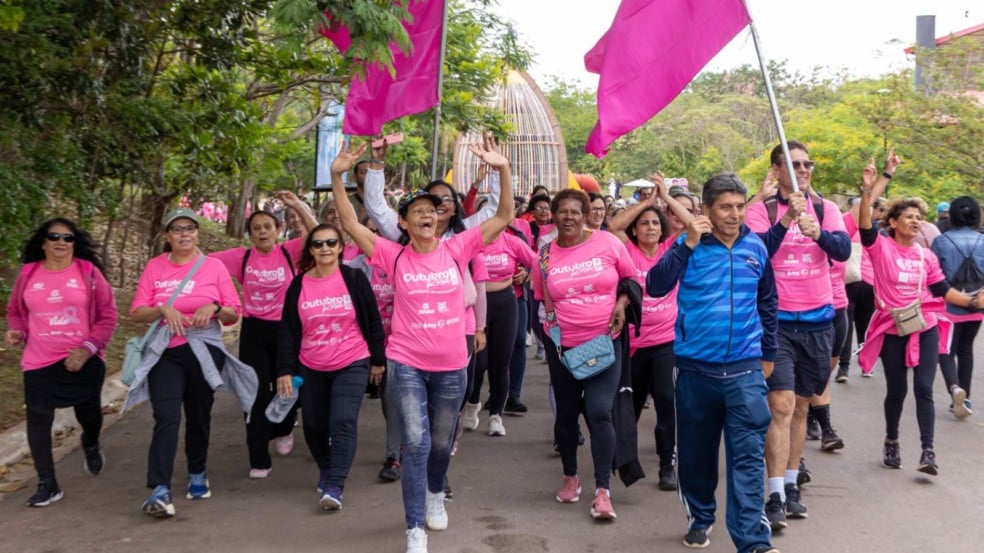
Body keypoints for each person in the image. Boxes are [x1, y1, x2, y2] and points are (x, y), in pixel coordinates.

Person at [331, 136, 514, 553]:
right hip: (407, 362)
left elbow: (505, 213)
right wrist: (336, 177)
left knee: (440, 441)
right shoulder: (392, 256)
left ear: (440, 219)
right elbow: (351, 224)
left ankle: (435, 490)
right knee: (414, 441)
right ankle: (414, 526)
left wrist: (502, 168)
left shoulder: (458, 247)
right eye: (417, 212)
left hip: (452, 364)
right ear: (405, 223)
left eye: (431, 211)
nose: (425, 216)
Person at [647, 174, 780, 553]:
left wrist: (767, 353)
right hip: (694, 371)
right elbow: (655, 286)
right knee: (697, 456)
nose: (735, 214)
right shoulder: (686, 246)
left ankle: (753, 540)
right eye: (726, 206)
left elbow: (768, 302)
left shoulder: (756, 247)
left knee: (749, 457)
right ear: (705, 209)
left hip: (745, 370)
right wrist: (686, 244)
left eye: (740, 206)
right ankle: (700, 517)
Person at [745, 141, 851, 530]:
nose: (804, 170)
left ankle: (791, 486)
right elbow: (753, 254)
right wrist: (787, 222)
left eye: (808, 164)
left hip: (820, 321)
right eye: (794, 164)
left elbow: (841, 251)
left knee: (803, 408)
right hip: (777, 325)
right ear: (776, 170)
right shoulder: (762, 211)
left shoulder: (827, 209)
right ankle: (772, 493)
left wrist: (819, 232)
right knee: (782, 406)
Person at [125, 207, 255, 518]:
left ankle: (197, 471)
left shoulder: (213, 268)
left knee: (198, 415)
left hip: (202, 352)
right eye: (177, 229)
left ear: (197, 233)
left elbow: (234, 312)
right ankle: (159, 488)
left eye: (190, 228)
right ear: (167, 236)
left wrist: (213, 307)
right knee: (166, 416)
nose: (185, 234)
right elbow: (136, 312)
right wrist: (161, 310)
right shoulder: (155, 267)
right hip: (165, 353)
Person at [856, 161, 984, 475]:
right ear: (894, 221)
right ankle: (892, 440)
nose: (916, 221)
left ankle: (928, 452)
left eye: (920, 218)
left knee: (924, 388)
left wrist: (972, 301)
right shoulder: (880, 247)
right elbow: (864, 225)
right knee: (897, 390)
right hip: (891, 327)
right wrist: (870, 188)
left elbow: (942, 289)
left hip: (925, 326)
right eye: (910, 217)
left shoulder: (925, 255)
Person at [532, 188, 636, 522]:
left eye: (575, 212)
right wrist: (552, 339)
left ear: (587, 213)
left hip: (606, 342)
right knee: (566, 413)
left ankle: (603, 490)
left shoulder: (608, 244)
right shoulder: (544, 256)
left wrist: (620, 304)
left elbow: (631, 280)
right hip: (563, 347)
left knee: (599, 411)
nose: (568, 217)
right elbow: (542, 300)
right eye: (562, 211)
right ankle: (570, 476)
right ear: (553, 216)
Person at [5, 219, 118, 507]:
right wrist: (17, 330)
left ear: (74, 243)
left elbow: (108, 316)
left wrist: (86, 350)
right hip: (39, 360)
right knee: (39, 416)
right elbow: (16, 311)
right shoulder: (29, 275)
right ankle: (48, 484)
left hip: (83, 358)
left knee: (89, 414)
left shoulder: (88, 273)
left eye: (67, 238)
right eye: (53, 236)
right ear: (43, 242)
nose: (60, 242)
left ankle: (90, 441)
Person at [276, 223, 385, 510]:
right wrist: (284, 369)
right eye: (318, 244)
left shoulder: (354, 278)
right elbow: (287, 330)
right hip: (311, 364)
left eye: (330, 243)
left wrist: (377, 360)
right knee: (313, 425)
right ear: (311, 249)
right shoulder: (299, 284)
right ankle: (325, 466)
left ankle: (335, 485)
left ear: (340, 247)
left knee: (342, 421)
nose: (324, 248)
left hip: (352, 360)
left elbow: (373, 320)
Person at [209, 191, 317, 478]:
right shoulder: (240, 257)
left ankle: (283, 427)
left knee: (289, 387)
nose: (262, 232)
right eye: (256, 228)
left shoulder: (289, 251)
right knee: (256, 394)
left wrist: (297, 205)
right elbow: (202, 263)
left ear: (278, 230)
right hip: (254, 331)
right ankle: (258, 458)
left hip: (287, 330)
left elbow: (316, 234)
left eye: (267, 227)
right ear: (250, 234)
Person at [606, 173, 691, 491]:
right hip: (633, 342)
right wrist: (647, 202)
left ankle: (667, 462)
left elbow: (692, 226)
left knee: (668, 400)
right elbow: (614, 227)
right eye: (645, 224)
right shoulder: (627, 250)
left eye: (656, 223)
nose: (651, 228)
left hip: (666, 341)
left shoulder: (672, 248)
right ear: (637, 229)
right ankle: (621, 458)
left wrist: (667, 199)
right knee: (630, 402)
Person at [464, 220, 535, 436]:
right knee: (478, 364)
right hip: (477, 305)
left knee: (501, 363)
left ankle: (496, 415)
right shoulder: (471, 243)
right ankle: (473, 403)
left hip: (505, 302)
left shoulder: (512, 242)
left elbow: (540, 261)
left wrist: (527, 274)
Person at [931, 196, 984, 419]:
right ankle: (967, 397)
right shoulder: (983, 240)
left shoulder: (941, 241)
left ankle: (955, 389)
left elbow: (933, 275)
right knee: (966, 349)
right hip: (978, 303)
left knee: (945, 349)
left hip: (949, 304)